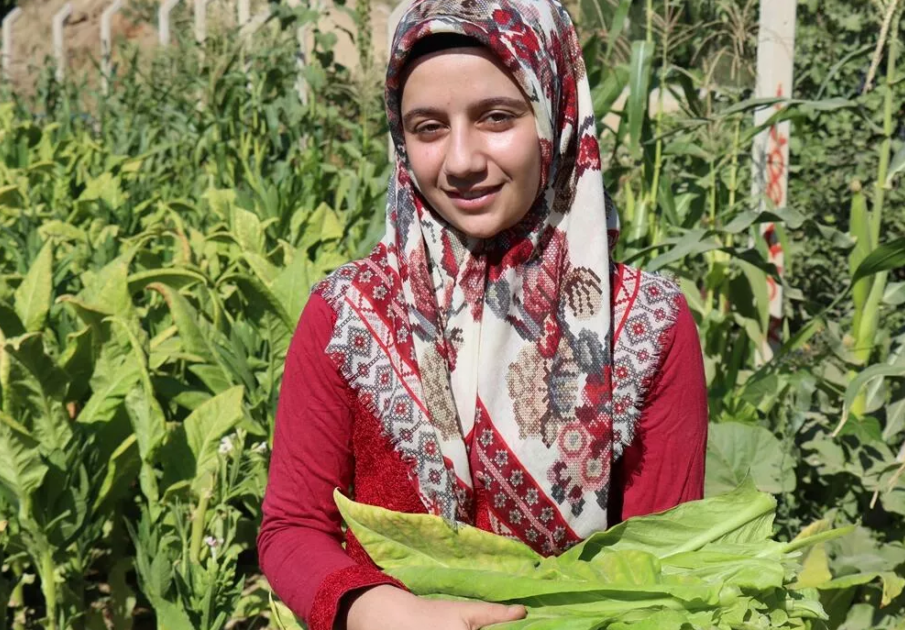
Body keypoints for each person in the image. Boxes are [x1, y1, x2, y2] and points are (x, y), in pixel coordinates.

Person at [256, 1, 708, 628]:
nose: (462, 160)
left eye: (497, 117)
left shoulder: (645, 325)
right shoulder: (347, 317)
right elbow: (292, 527)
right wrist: (370, 608)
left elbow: (666, 560)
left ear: (554, 113)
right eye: (428, 127)